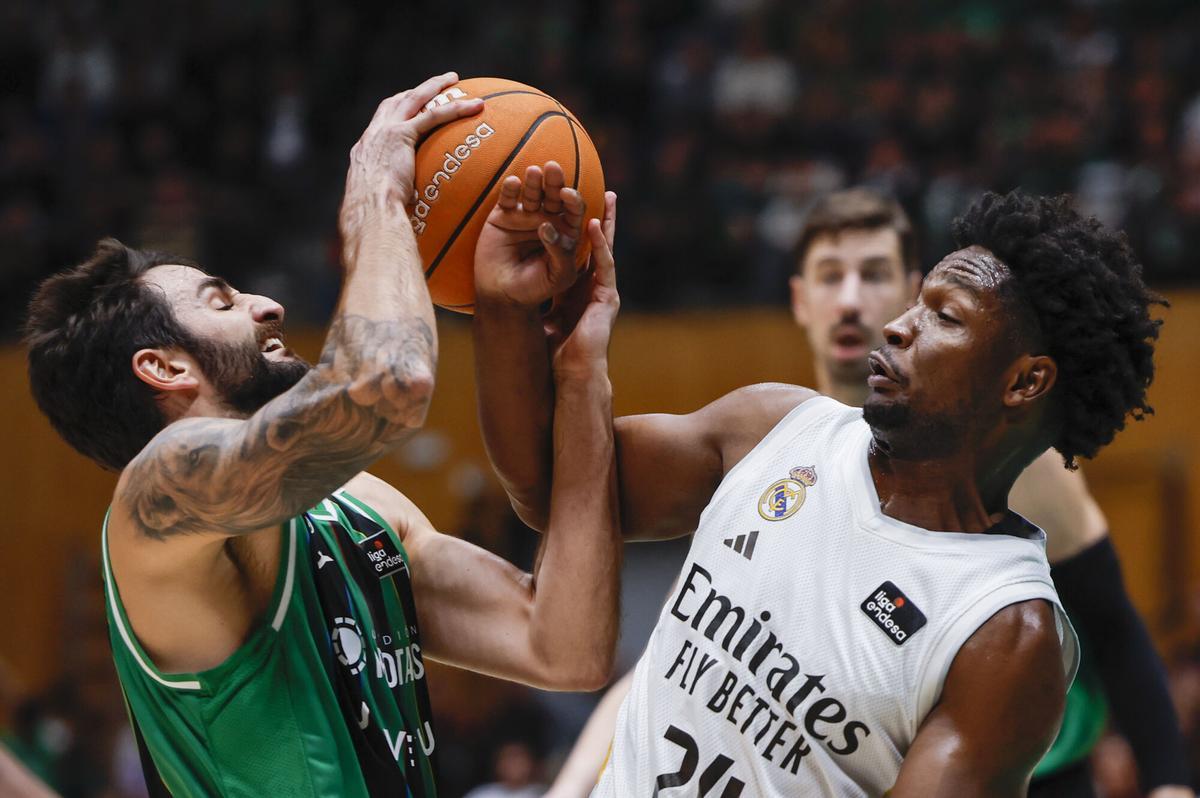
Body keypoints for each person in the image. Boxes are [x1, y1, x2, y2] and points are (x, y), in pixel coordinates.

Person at [23, 73, 623, 797]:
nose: (268, 304)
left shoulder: (362, 504)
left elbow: (564, 646)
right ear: (163, 365)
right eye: (223, 300)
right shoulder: (159, 498)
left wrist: (573, 364)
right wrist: (376, 196)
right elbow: (388, 384)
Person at [473, 174, 1165, 795]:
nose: (896, 325)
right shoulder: (772, 426)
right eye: (917, 303)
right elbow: (549, 486)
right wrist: (516, 319)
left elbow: (1118, 628)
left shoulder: (1004, 635)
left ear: (1024, 381)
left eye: (944, 317)